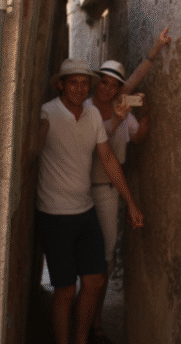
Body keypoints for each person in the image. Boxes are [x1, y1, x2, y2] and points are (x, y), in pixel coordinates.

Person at [34, 58, 145, 344]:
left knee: (94, 281)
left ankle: (81, 339)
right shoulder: (48, 114)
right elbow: (33, 148)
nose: (80, 88)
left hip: (85, 212)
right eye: (74, 83)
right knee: (66, 289)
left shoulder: (93, 116)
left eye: (85, 83)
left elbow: (108, 158)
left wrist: (131, 203)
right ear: (61, 85)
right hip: (54, 214)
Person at [88, 28, 172, 342]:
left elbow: (138, 135)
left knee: (106, 259)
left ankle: (95, 322)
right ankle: (83, 319)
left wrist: (157, 46)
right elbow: (97, 145)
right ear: (98, 82)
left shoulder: (122, 107)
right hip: (83, 191)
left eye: (115, 84)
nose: (109, 89)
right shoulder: (84, 109)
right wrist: (118, 120)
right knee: (87, 260)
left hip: (110, 194)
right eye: (105, 82)